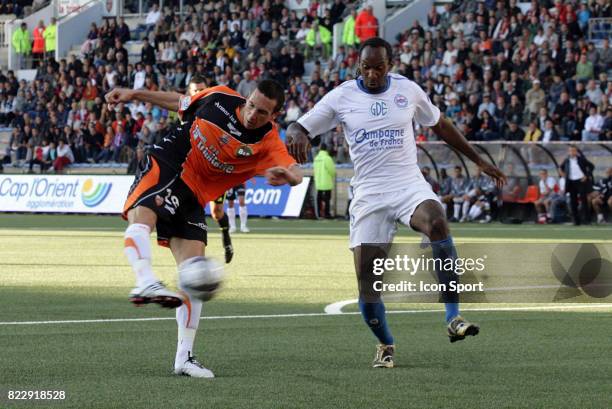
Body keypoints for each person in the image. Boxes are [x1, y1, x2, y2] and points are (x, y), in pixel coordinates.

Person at [286, 37, 505, 368]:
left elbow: (441, 125)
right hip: (369, 194)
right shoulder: (342, 96)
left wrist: (477, 159)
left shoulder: (408, 91)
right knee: (368, 286)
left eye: (379, 67)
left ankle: (453, 317)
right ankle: (386, 344)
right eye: (366, 67)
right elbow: (301, 124)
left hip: (407, 184)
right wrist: (296, 132)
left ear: (391, 65)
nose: (372, 74)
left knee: (437, 220)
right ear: (358, 66)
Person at [105, 80, 302, 378]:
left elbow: (297, 172)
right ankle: (144, 280)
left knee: (194, 272)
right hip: (172, 162)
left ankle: (184, 358)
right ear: (246, 97)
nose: (252, 115)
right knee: (143, 217)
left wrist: (288, 176)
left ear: (274, 115)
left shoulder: (268, 141)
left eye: (262, 112)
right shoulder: (219, 97)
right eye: (250, 105)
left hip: (195, 196)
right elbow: (180, 102)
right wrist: (134, 94)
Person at [120, 73, 236, 263]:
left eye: (202, 90)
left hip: (212, 171)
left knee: (217, 212)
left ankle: (226, 236)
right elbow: (174, 102)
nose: (199, 93)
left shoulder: (216, 111)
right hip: (182, 173)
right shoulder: (185, 112)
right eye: (195, 91)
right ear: (189, 93)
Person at [560, 145, 594, 225]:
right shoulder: (566, 160)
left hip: (581, 181)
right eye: (570, 151)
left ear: (576, 152)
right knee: (573, 202)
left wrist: (586, 175)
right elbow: (561, 168)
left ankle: (587, 220)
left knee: (584, 201)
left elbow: (591, 166)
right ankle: (576, 221)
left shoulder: (581, 159)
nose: (572, 152)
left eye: (573, 151)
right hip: (571, 182)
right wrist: (564, 175)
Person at [313, 143, 336, 219]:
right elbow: (332, 171)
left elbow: (315, 170)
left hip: (318, 182)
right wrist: (333, 175)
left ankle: (319, 214)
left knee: (319, 199)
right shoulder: (327, 158)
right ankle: (326, 214)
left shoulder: (316, 158)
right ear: (326, 149)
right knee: (327, 200)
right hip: (326, 182)